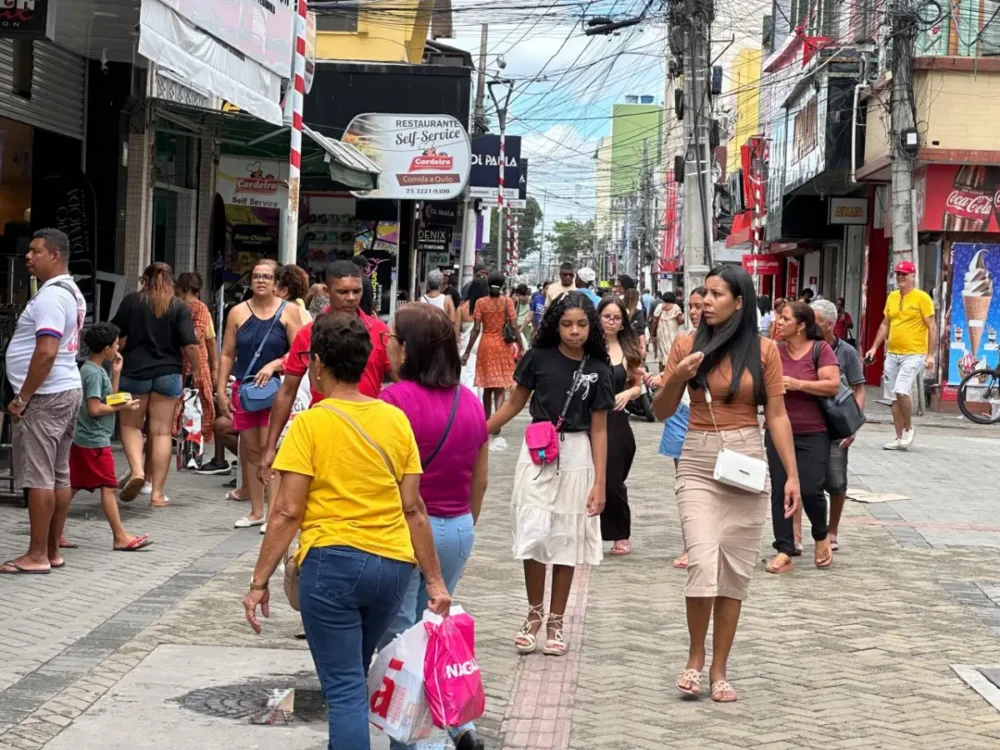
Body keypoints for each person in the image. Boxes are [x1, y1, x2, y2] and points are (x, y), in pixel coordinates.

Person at [243, 312, 451, 750]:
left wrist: (258, 582)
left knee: (344, 692)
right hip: (393, 568)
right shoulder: (394, 421)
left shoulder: (310, 425)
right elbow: (413, 508)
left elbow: (285, 512)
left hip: (333, 566)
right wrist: (434, 580)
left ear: (317, 364)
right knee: (353, 675)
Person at [652, 265, 801, 703]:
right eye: (704, 295)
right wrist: (678, 376)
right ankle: (694, 659)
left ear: (739, 302)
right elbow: (661, 410)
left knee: (734, 571)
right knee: (702, 560)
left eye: (717, 295)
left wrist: (791, 474)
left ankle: (720, 668)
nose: (706, 302)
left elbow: (776, 415)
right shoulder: (686, 344)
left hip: (746, 459)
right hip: (698, 457)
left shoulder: (765, 350)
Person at [377, 303, 489, 750]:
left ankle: (424, 742)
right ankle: (459, 725)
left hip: (408, 531)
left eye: (391, 336)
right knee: (434, 632)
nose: (385, 343)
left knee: (404, 642)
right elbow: (480, 480)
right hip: (458, 525)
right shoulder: (471, 401)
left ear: (407, 349)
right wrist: (461, 523)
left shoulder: (393, 401)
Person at [486, 292, 614, 656]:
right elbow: (513, 404)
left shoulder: (599, 369)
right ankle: (534, 614)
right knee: (534, 533)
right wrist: (477, 432)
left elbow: (600, 429)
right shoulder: (537, 358)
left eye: (582, 325)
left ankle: (556, 620)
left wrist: (600, 482)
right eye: (566, 324)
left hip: (578, 456)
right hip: (537, 453)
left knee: (566, 539)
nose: (574, 331)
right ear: (555, 325)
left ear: (592, 327)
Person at [259, 261, 393, 484]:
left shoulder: (380, 332)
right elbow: (287, 391)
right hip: (323, 435)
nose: (351, 297)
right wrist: (270, 447)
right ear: (327, 291)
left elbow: (403, 384)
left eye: (356, 291)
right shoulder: (308, 334)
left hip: (370, 436)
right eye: (342, 291)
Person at [1, 229, 86, 575]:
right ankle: (51, 550)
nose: (28, 257)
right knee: (57, 474)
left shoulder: (51, 297)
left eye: (36, 251)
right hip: (65, 389)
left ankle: (37, 554)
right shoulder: (70, 291)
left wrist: (23, 396)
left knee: (39, 477)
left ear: (55, 255)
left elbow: (46, 351)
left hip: (46, 395)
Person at [217, 259, 302, 528]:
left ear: (277, 283)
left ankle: (275, 510)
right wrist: (220, 389)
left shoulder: (289, 312)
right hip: (245, 389)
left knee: (270, 449)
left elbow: (300, 353)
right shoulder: (238, 312)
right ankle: (256, 511)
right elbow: (228, 353)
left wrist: (275, 364)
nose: (261, 281)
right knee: (250, 450)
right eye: (256, 276)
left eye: (266, 276)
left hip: (276, 390)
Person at [113, 262, 200, 508]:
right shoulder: (178, 307)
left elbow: (114, 332)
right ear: (172, 281)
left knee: (131, 425)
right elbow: (191, 345)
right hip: (169, 373)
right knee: (161, 432)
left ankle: (138, 471)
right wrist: (196, 369)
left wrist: (115, 354)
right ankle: (157, 494)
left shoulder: (132, 301)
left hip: (134, 371)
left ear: (144, 279)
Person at [765, 301, 839, 574]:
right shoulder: (773, 351)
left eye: (785, 318)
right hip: (776, 433)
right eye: (779, 318)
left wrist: (798, 384)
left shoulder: (821, 350)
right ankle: (784, 549)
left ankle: (821, 536)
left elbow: (832, 385)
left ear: (801, 326)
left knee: (810, 488)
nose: (779, 322)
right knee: (780, 489)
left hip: (813, 432)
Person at [69, 323, 150, 552]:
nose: (118, 349)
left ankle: (52, 534)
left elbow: (109, 398)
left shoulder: (94, 370)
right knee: (108, 486)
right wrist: (120, 407)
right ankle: (119, 536)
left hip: (86, 439)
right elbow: (95, 408)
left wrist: (116, 375)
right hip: (94, 440)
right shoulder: (93, 374)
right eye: (115, 345)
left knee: (71, 486)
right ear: (106, 349)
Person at [651, 287, 706, 570]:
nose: (696, 312)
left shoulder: (733, 343)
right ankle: (690, 545)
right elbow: (669, 378)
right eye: (693, 306)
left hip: (713, 419)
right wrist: (650, 382)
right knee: (686, 486)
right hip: (680, 413)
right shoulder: (683, 342)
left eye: (701, 306)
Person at [811, 299, 866, 552]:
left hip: (836, 425)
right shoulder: (804, 348)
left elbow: (858, 389)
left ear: (830, 324)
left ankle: (832, 530)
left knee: (836, 481)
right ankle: (798, 536)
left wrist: (852, 425)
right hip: (808, 423)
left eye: (815, 321)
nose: (809, 326)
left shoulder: (847, 353)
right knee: (805, 481)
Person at [865, 260, 936, 450]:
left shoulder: (922, 298)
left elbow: (932, 326)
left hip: (914, 353)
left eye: (904, 274)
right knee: (892, 397)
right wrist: (874, 348)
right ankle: (898, 437)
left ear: (913, 275)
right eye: (898, 274)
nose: (900, 277)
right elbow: (885, 324)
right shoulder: (893, 297)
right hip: (892, 353)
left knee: (901, 389)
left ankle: (909, 428)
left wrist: (930, 355)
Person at [597, 296, 641, 557]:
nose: (611, 322)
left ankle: (619, 533)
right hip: (587, 418)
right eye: (606, 316)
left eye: (617, 318)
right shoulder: (585, 347)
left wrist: (628, 394)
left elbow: (637, 384)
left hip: (615, 420)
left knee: (613, 480)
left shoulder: (628, 350)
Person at [174, 272, 219, 460]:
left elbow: (202, 337)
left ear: (183, 288)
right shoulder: (195, 308)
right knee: (200, 401)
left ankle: (191, 437)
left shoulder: (197, 308)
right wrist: (214, 367)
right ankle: (190, 436)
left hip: (192, 361)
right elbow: (210, 341)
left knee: (195, 400)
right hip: (196, 360)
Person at [462, 270, 517, 420]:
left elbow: (476, 329)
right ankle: (497, 420)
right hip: (502, 346)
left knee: (487, 387)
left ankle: (487, 420)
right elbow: (513, 326)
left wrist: (466, 352)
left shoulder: (480, 303)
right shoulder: (508, 302)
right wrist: (522, 346)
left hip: (485, 345)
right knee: (499, 387)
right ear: (503, 285)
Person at [456, 278, 487, 397]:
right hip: (483, 343)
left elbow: (456, 330)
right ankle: (479, 406)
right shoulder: (488, 306)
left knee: (467, 378)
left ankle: (469, 403)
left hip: (466, 346)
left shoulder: (462, 307)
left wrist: (458, 345)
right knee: (481, 380)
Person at [651, 291, 684, 372]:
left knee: (662, 353)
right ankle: (671, 372)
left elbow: (654, 321)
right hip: (672, 333)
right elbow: (680, 321)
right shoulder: (676, 307)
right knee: (672, 352)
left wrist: (652, 333)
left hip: (661, 333)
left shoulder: (659, 307)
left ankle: (662, 374)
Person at [623, 287, 647, 357]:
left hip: (620, 343)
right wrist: (643, 347)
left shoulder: (620, 311)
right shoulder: (638, 313)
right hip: (634, 344)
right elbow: (640, 331)